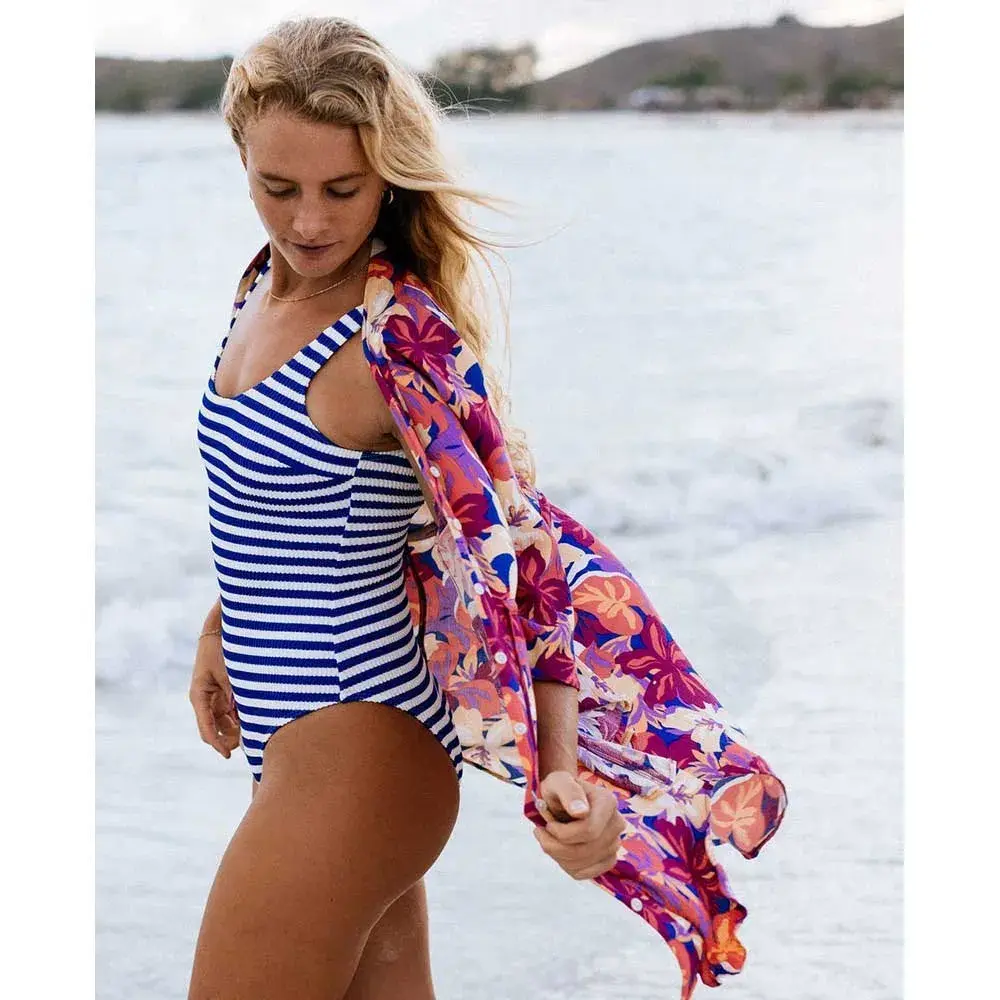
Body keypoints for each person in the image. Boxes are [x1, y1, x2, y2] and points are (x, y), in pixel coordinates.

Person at [188, 15, 786, 1000]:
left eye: (343, 188)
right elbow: (289, 513)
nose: (308, 222)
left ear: (389, 175)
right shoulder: (261, 287)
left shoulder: (395, 341)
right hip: (299, 747)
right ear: (241, 158)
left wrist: (563, 768)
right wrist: (223, 627)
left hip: (359, 750)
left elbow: (523, 547)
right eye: (278, 187)